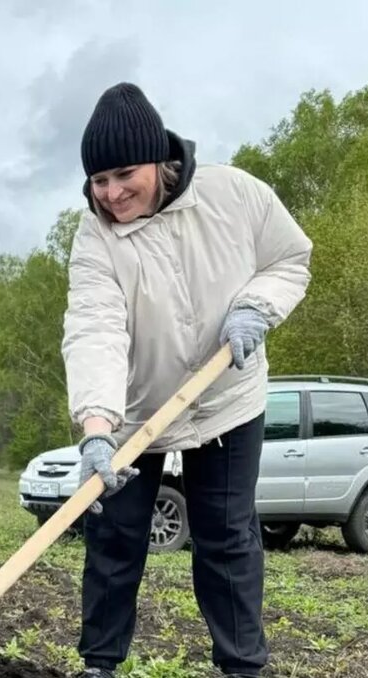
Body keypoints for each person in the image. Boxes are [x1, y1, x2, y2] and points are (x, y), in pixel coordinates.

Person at [61, 83, 313, 677]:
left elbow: (288, 258)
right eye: (99, 180)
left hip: (227, 399)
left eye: (124, 173)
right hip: (134, 411)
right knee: (116, 539)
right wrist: (98, 427)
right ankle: (99, 666)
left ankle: (242, 668)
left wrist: (256, 305)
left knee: (226, 539)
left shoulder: (233, 194)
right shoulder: (94, 236)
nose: (113, 193)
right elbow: (94, 327)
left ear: (158, 158)